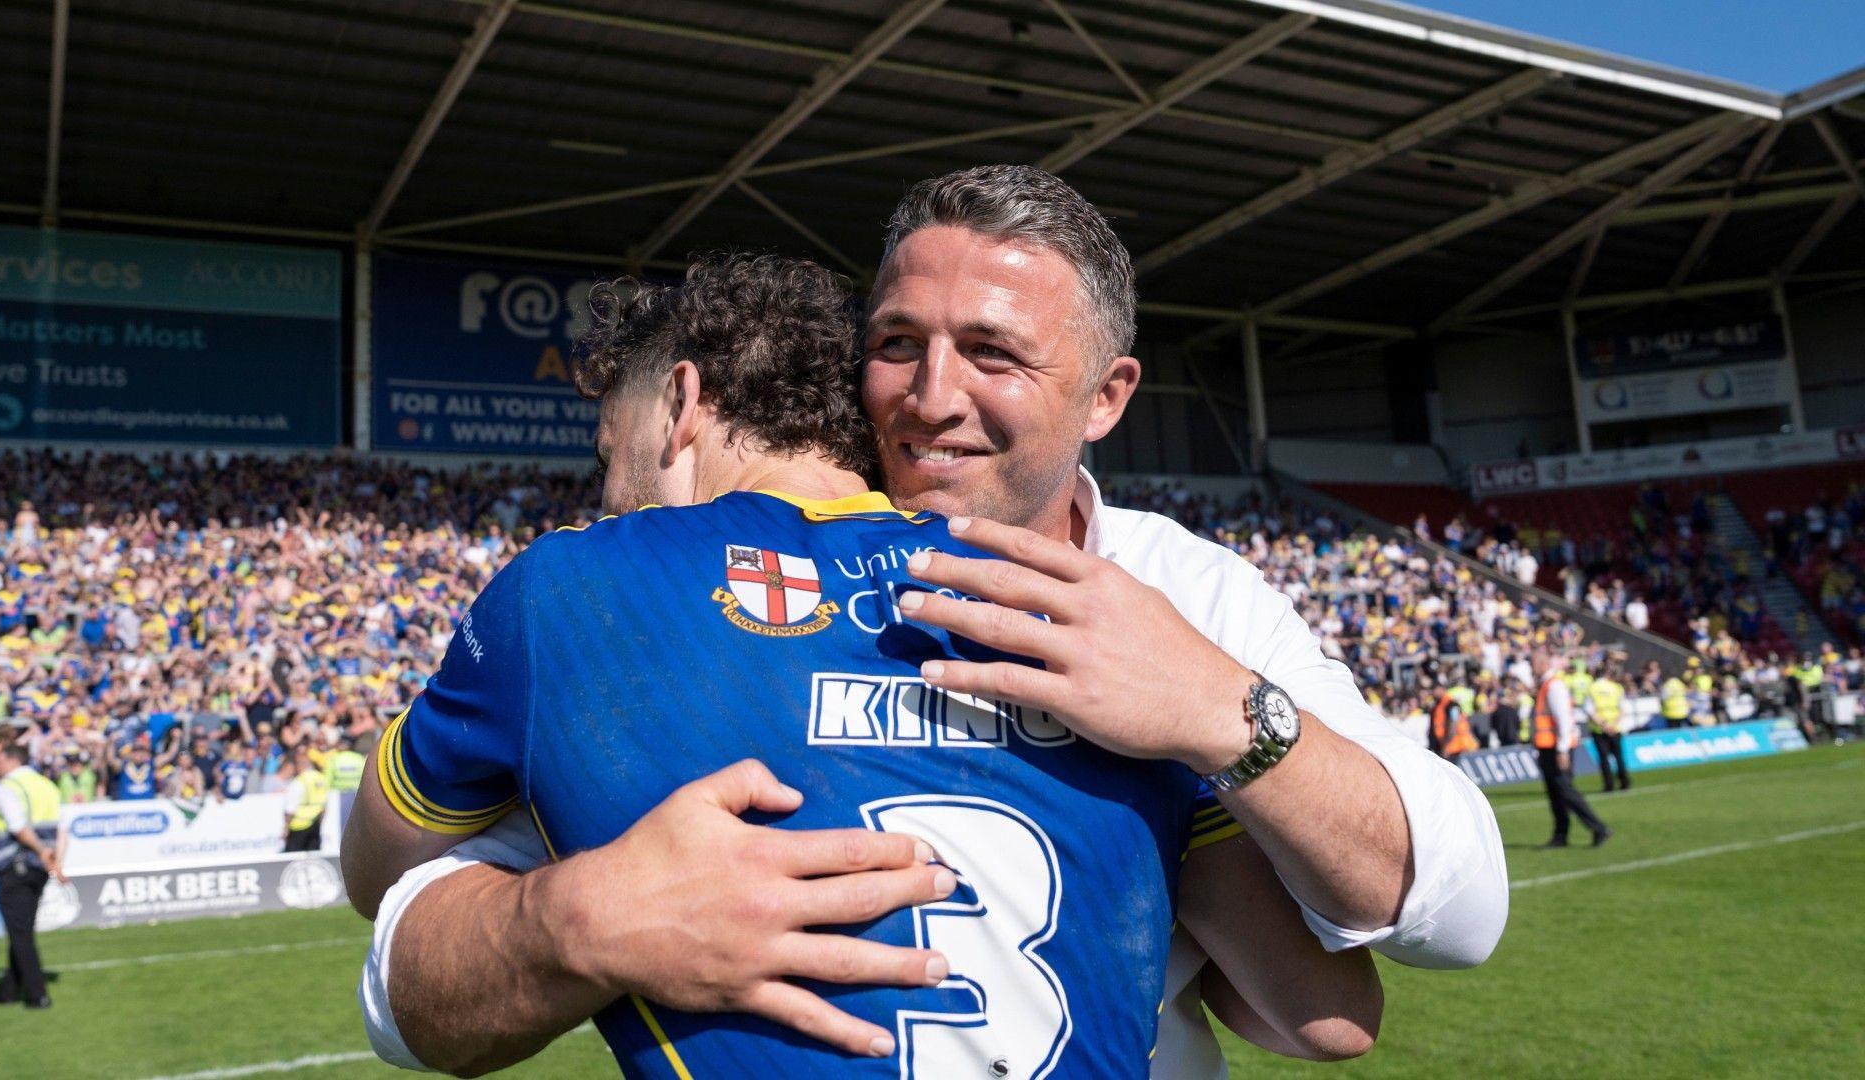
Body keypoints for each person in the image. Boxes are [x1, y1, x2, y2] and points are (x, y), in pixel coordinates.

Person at [355, 167, 1505, 1074]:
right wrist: (570, 924)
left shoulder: (1186, 594)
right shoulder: (655, 620)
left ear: (1108, 397)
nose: (931, 396)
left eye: (993, 353)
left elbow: (1454, 916)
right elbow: (415, 960)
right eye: (897, 344)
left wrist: (1214, 714)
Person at [0, 741, 66, 1008]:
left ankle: (38, 994)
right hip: (39, 870)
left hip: (17, 867)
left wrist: (41, 852)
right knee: (21, 928)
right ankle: (8, 991)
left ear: (10, 759)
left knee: (20, 933)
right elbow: (62, 830)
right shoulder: (47, 785)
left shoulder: (8, 788)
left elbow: (18, 828)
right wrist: (55, 863)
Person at [1533, 656, 1610, 848]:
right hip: (1548, 746)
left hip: (1556, 747)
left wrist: (1562, 749)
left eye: (1533, 662)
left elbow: (1564, 719)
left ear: (1543, 664)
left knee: (1565, 790)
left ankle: (1598, 827)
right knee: (1556, 793)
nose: (1531, 667)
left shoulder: (1553, 686)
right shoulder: (1547, 685)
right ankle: (1561, 834)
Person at [1587, 662, 1629, 792]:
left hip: (1599, 729)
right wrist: (1612, 725)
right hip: (1615, 727)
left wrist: (1604, 725)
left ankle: (1609, 785)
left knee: (1603, 758)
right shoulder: (1616, 687)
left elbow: (1589, 710)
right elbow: (1623, 709)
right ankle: (1625, 782)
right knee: (1619, 756)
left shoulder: (1591, 688)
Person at [281, 742, 328, 853]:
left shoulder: (299, 781)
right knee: (314, 859)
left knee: (292, 861)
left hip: (298, 826)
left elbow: (290, 809)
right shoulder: (321, 779)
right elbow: (324, 806)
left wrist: (285, 828)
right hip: (315, 825)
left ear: (299, 765)